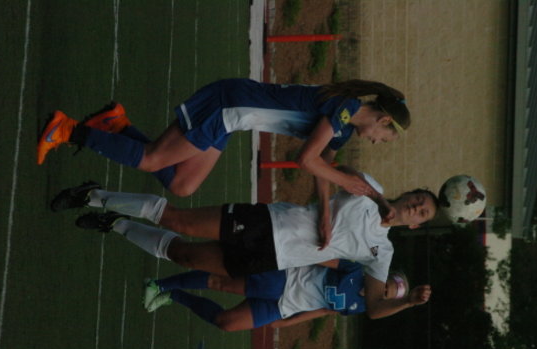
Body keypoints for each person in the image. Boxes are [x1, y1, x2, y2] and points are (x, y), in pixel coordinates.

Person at [51, 170, 438, 314]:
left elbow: (374, 307)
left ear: (415, 226)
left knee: (184, 255)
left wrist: (406, 302)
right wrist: (324, 211)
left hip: (273, 259)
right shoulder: (370, 189)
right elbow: (325, 167)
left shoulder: (382, 251)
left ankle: (116, 224)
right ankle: (93, 195)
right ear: (410, 193)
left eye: (422, 213)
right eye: (420, 199)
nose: (417, 207)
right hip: (268, 223)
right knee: (178, 219)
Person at [37, 78, 409, 201]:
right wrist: (348, 182)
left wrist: (327, 214)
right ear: (383, 119)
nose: (377, 142)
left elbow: (323, 164)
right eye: (384, 137)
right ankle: (67, 129)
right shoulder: (344, 107)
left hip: (233, 119)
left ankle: (115, 125)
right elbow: (307, 161)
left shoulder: (343, 127)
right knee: (152, 160)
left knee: (183, 185)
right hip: (228, 105)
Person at [141, 262, 430, 330]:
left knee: (226, 322)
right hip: (284, 280)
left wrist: (289, 322)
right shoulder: (355, 269)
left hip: (284, 307)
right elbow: (320, 256)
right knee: (222, 283)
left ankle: (175, 295)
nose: (383, 293)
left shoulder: (358, 307)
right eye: (386, 287)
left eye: (387, 296)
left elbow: (324, 310)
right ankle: (160, 284)